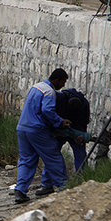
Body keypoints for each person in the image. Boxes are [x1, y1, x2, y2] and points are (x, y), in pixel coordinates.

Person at [14, 68, 71, 204]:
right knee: (53, 156)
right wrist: (60, 121)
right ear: (56, 80)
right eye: (63, 82)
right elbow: (47, 110)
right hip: (37, 129)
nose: (63, 85)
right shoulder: (49, 92)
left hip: (22, 128)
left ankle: (20, 190)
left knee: (27, 160)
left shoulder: (36, 87)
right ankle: (64, 186)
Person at [54, 88, 91, 172]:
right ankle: (49, 181)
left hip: (76, 130)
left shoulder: (84, 104)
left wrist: (81, 135)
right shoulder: (60, 99)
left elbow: (84, 122)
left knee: (80, 155)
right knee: (53, 154)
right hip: (61, 128)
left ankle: (82, 179)